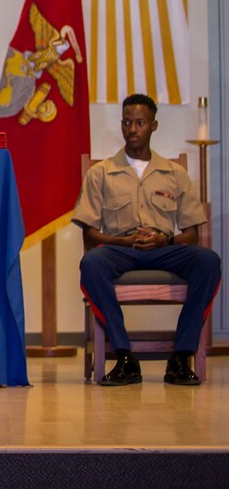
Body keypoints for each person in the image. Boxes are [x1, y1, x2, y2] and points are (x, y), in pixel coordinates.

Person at [74, 93, 222, 386]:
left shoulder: (174, 173)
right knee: (91, 263)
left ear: (153, 125)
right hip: (121, 249)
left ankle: (181, 355)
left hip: (163, 249)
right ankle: (125, 356)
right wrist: (126, 242)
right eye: (127, 122)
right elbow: (90, 235)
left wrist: (164, 240)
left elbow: (192, 233)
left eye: (139, 122)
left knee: (208, 261)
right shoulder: (100, 173)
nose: (132, 129)